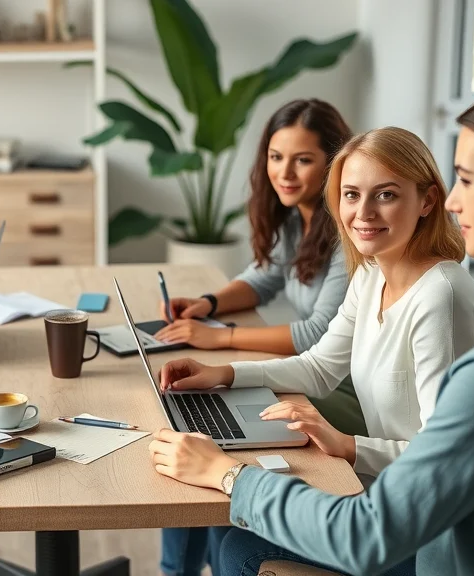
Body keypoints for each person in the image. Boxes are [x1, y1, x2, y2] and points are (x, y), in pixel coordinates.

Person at [149, 80, 474, 576]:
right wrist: (222, 374)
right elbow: (322, 364)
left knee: (241, 546)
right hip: (418, 516)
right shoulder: (379, 277)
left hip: (425, 542)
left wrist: (230, 476)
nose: (457, 201)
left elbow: (372, 532)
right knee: (233, 522)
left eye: (467, 179)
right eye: (351, 195)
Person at [155, 99, 364, 576]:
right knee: (200, 415)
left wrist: (220, 338)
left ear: (333, 164)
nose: (284, 172)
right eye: (275, 156)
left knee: (211, 423)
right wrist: (207, 303)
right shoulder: (297, 218)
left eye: (302, 159)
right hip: (314, 373)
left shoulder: (346, 229)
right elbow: (262, 276)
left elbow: (317, 335)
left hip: (342, 389)